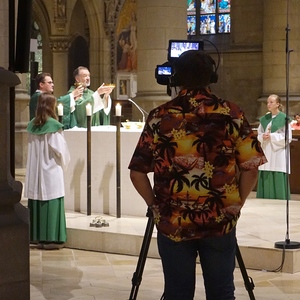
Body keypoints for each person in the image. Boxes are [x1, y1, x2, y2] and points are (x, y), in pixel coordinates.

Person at [128, 50, 267, 300]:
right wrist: (235, 205)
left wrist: (155, 207)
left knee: (177, 293)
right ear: (211, 77)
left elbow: (137, 172)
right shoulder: (232, 114)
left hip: (173, 222)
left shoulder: (160, 117)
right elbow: (251, 168)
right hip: (220, 220)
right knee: (222, 292)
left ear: (177, 78)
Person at [24, 92, 71, 250]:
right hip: (50, 169)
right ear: (52, 106)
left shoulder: (32, 124)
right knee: (52, 198)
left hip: (35, 169)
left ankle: (36, 236)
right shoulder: (53, 126)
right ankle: (52, 239)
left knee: (37, 199)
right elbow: (59, 150)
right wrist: (65, 159)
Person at [256, 94, 292, 200]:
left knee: (277, 170)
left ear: (278, 104)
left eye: (271, 102)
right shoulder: (265, 119)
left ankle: (280, 197)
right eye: (267, 102)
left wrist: (271, 136)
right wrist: (262, 136)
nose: (268, 104)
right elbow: (259, 134)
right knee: (266, 170)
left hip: (278, 151)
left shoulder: (284, 119)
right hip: (267, 149)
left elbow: (287, 137)